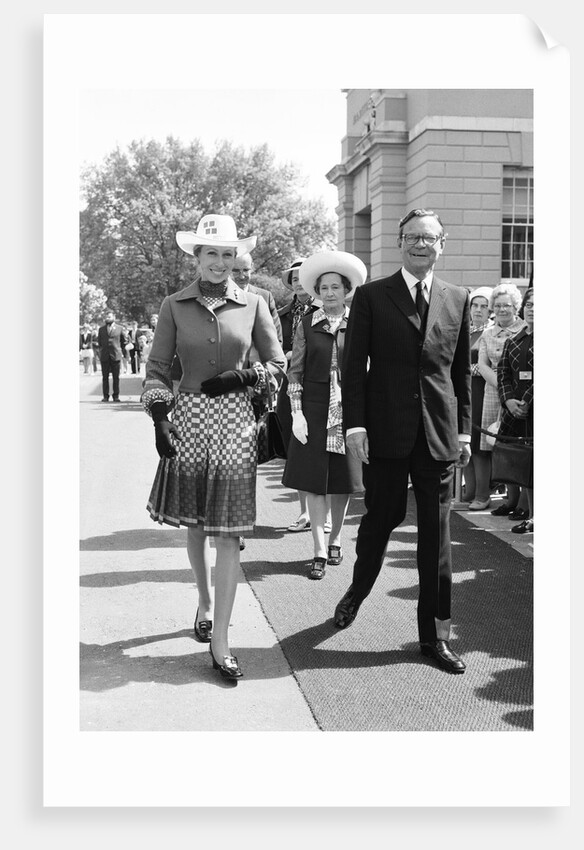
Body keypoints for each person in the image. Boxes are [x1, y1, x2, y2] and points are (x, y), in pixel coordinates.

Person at [141, 213, 286, 681]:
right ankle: (203, 599)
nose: (220, 262)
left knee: (228, 532)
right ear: (197, 257)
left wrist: (244, 376)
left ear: (234, 258)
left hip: (235, 423)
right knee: (197, 525)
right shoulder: (173, 305)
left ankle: (221, 638)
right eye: (212, 254)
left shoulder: (256, 303)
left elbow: (279, 365)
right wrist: (160, 417)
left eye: (227, 254)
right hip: (187, 419)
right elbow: (158, 367)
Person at [334, 208, 472, 675]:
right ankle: (357, 590)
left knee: (437, 538)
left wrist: (465, 430)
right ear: (400, 242)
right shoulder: (372, 296)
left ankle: (435, 635)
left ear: (442, 244)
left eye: (429, 238)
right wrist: (355, 427)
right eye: (412, 237)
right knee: (381, 520)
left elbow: (460, 372)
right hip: (384, 433)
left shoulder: (459, 298)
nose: (420, 245)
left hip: (437, 436)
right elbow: (352, 369)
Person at [282, 250, 366, 579]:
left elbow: (364, 370)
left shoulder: (358, 324)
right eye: (324, 288)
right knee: (314, 482)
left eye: (336, 287)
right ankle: (318, 548)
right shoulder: (306, 324)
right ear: (317, 292)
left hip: (348, 411)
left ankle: (336, 540)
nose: (330, 293)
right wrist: (296, 413)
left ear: (346, 290)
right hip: (313, 409)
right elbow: (296, 371)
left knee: (342, 482)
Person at [277, 259, 322, 533]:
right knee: (297, 448)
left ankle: (323, 514)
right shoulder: (281, 313)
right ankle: (304, 512)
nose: (296, 279)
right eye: (292, 276)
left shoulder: (325, 310)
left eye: (301, 275)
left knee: (322, 447)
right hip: (289, 386)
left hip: (319, 385)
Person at [477, 284, 526, 517]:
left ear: (516, 306)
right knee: (498, 448)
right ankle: (508, 500)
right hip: (494, 394)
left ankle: (521, 503)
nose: (502, 309)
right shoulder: (487, 334)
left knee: (518, 446)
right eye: (497, 305)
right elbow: (483, 365)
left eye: (506, 305)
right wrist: (503, 388)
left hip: (520, 395)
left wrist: (511, 392)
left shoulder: (526, 330)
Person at [497, 287, 534, 534]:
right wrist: (510, 401)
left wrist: (528, 401)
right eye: (530, 305)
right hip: (517, 414)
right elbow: (503, 373)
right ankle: (533, 516)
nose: (534, 309)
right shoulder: (514, 340)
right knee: (527, 467)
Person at [462, 287, 494, 509]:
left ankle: (483, 494)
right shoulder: (465, 329)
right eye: (475, 305)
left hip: (482, 391)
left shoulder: (490, 332)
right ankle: (471, 489)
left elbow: (489, 364)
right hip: (465, 391)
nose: (478, 310)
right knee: (466, 438)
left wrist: (470, 369)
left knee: (480, 443)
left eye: (484, 306)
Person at [232, 253, 283, 345]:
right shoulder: (217, 297)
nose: (241, 276)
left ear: (252, 267)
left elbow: (276, 338)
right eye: (236, 271)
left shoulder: (265, 297)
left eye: (246, 270)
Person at [97, 310, 128, 402]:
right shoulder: (101, 329)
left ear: (114, 317)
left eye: (109, 317)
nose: (107, 318)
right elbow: (100, 343)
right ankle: (105, 396)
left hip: (115, 355)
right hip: (105, 356)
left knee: (116, 377)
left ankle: (116, 396)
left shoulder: (120, 328)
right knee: (105, 377)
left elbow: (123, 342)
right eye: (106, 317)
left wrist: (119, 350)